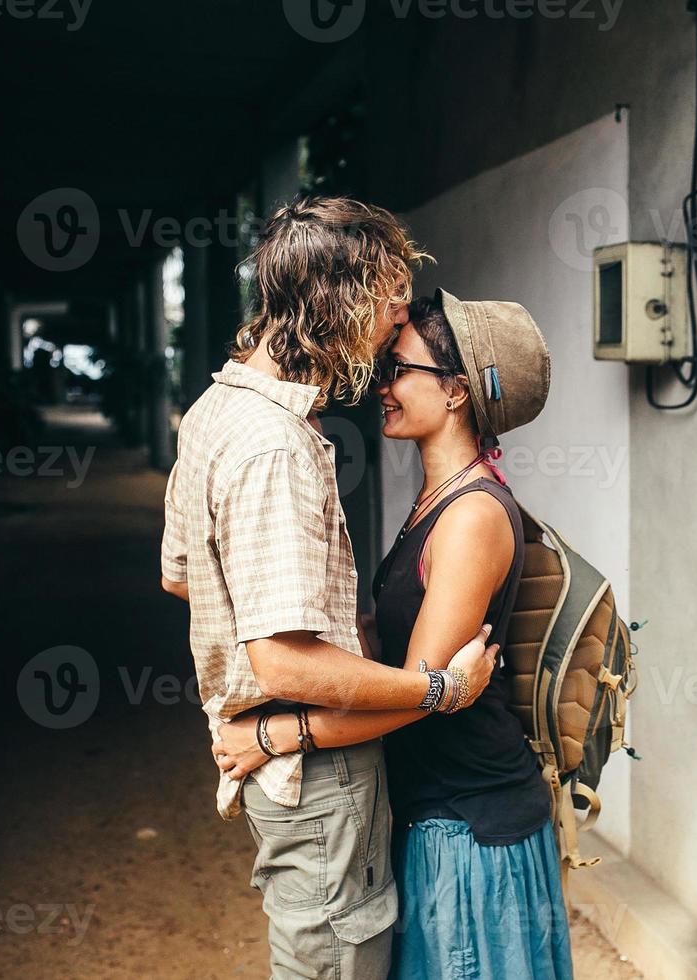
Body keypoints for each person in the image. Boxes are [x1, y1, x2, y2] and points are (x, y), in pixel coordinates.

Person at [161, 197, 500, 980]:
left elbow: (180, 576)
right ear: (340, 305)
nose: (396, 319)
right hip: (316, 772)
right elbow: (280, 661)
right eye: (387, 299)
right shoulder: (275, 446)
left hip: (280, 759)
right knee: (336, 958)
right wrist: (438, 687)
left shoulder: (217, 409)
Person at [213, 289, 574, 979]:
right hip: (435, 818)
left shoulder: (471, 517)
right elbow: (420, 670)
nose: (381, 383)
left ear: (458, 391)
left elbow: (421, 695)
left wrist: (274, 737)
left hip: (469, 828)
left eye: (399, 370)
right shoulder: (437, 501)